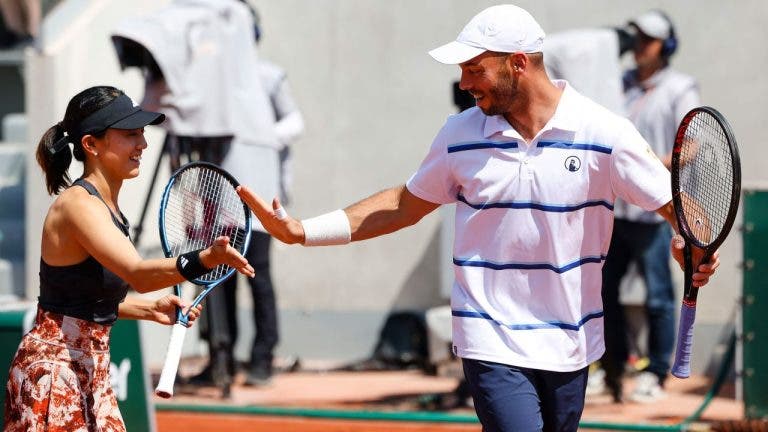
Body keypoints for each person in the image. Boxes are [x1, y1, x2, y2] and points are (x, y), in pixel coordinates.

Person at [238, 4, 720, 430]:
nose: (464, 83)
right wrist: (303, 232)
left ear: (518, 64)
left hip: (572, 341)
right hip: (490, 337)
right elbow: (404, 204)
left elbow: (674, 204)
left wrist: (691, 239)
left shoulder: (606, 133)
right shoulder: (458, 135)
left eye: (475, 69)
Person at [3, 86, 254, 431]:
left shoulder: (107, 208)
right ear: (91, 144)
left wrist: (147, 309)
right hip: (54, 372)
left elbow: (76, 300)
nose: (143, 145)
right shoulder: (78, 206)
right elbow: (138, 274)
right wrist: (206, 258)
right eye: (130, 135)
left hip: (91, 369)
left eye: (142, 134)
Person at [190, 3, 306, 387]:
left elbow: (294, 121)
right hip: (216, 201)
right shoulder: (210, 81)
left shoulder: (268, 77)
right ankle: (220, 357)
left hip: (256, 202)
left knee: (258, 278)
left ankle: (263, 357)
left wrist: (260, 138)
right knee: (216, 280)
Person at [600, 9, 701, 404]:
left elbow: (690, 145)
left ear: (666, 46)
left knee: (659, 294)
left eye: (648, 40)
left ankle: (657, 373)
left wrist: (643, 167)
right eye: (636, 39)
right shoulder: (617, 85)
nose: (639, 47)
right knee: (603, 291)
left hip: (656, 211)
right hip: (616, 211)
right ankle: (612, 366)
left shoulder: (680, 87)